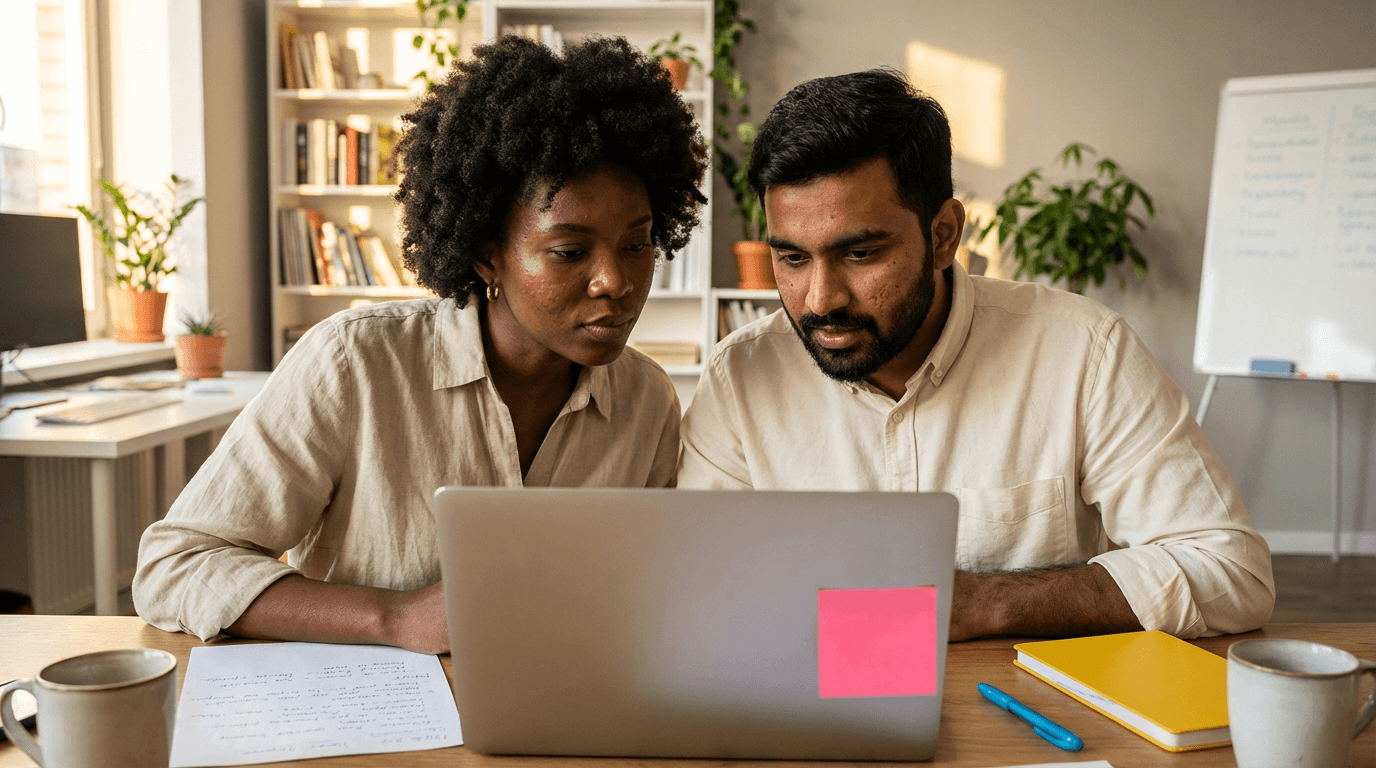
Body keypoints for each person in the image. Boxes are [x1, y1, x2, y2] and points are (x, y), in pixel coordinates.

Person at [135, 36, 708, 653]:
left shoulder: (646, 402)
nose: (616, 281)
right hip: (362, 702)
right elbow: (177, 564)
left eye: (637, 244)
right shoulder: (353, 365)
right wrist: (396, 618)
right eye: (569, 251)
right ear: (487, 255)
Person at [678, 69, 1273, 641]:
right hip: (809, 697)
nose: (820, 300)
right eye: (792, 258)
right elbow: (698, 589)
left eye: (859, 254)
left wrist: (980, 602)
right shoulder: (740, 380)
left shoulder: (1084, 353)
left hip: (1026, 704)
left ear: (943, 235)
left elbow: (1231, 571)